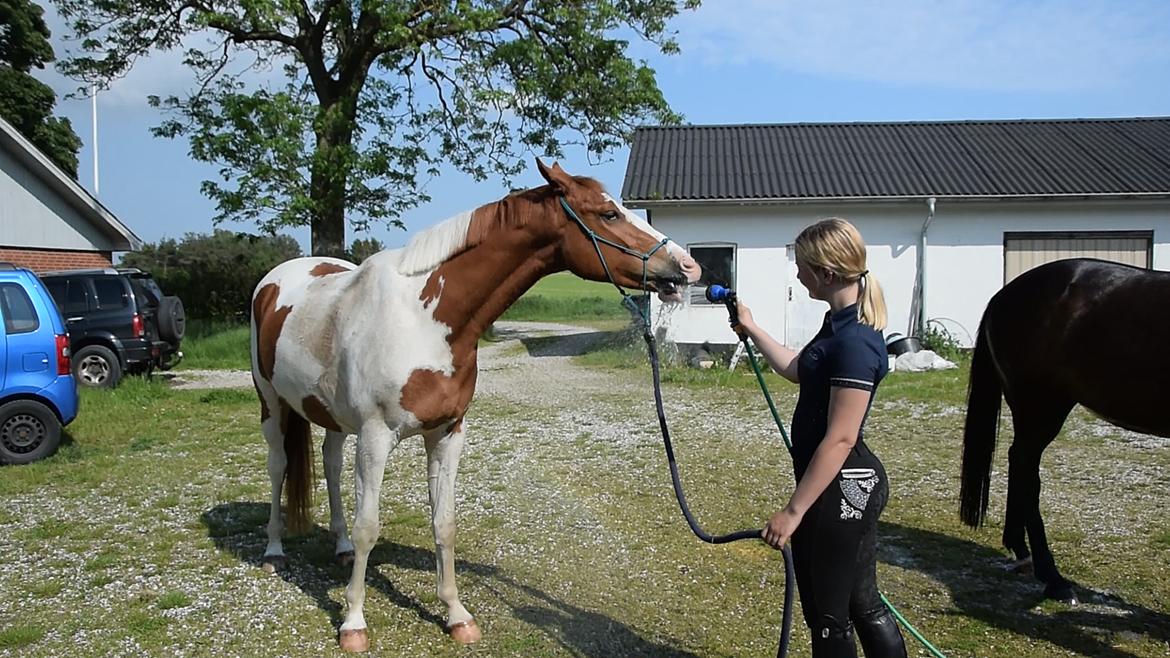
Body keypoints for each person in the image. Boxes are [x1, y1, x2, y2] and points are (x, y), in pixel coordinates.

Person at [734, 218, 907, 658]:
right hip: (835, 486)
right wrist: (751, 328)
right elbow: (798, 369)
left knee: (830, 617)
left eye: (803, 266)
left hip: (846, 486)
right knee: (860, 602)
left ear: (826, 274)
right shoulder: (838, 325)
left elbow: (841, 439)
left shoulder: (855, 342)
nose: (797, 273)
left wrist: (793, 512)